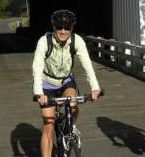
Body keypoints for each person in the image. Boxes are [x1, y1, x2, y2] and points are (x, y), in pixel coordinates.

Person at [32, 9, 101, 157]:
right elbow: (37, 67)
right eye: (59, 27)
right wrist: (38, 92)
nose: (63, 31)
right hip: (47, 85)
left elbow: (87, 64)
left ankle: (70, 127)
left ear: (72, 28)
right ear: (53, 27)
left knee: (73, 105)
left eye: (67, 28)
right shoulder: (44, 41)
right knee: (49, 125)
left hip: (66, 81)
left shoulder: (77, 41)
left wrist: (95, 88)